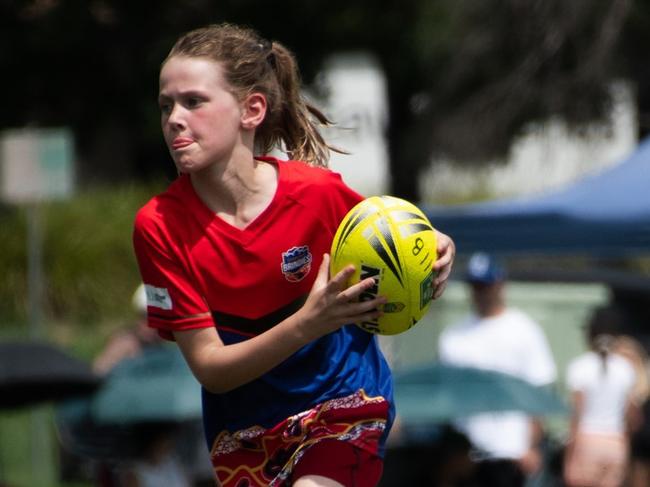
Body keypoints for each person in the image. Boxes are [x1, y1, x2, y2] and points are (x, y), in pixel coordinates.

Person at [132, 23, 456, 487]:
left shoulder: (317, 194)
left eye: (193, 102)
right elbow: (212, 370)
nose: (174, 118)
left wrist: (438, 248)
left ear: (252, 110)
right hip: (245, 437)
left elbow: (392, 243)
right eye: (166, 105)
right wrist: (309, 321)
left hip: (342, 406)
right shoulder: (159, 226)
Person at [437, 252, 556, 487]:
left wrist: (531, 446)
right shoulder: (453, 337)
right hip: (470, 456)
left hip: (512, 453)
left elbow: (538, 391)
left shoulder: (523, 330)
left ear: (500, 284)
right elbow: (449, 397)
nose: (481, 292)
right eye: (476, 286)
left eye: (486, 285)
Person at [563, 305, 637, 487]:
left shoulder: (580, 367)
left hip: (587, 440)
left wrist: (569, 456)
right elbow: (631, 416)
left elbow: (576, 415)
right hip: (616, 442)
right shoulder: (625, 368)